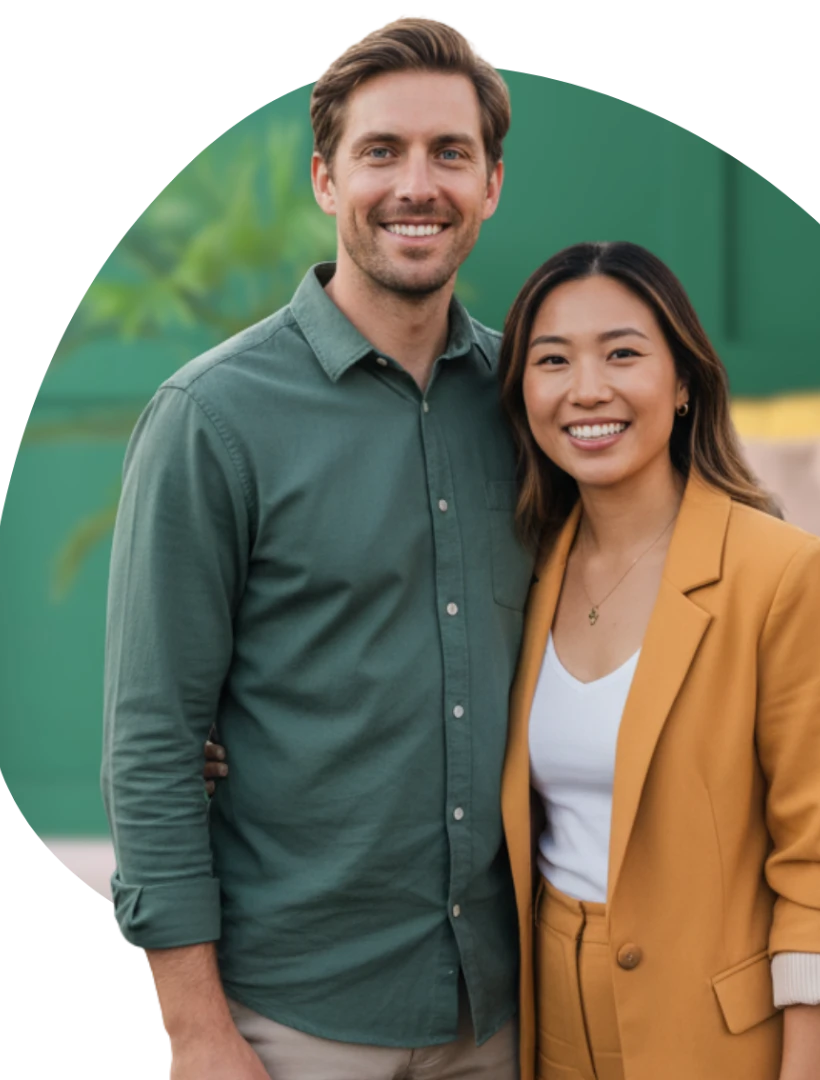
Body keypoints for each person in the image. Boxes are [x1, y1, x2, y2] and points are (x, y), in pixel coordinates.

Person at [205, 244, 820, 1079]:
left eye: (623, 354)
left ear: (683, 383)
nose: (586, 389)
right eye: (551, 360)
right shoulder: (528, 566)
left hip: (723, 1038)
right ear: (521, 394)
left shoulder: (783, 574)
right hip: (547, 1026)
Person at [103, 15, 529, 1080]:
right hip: (296, 1017)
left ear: (491, 184)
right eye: (381, 151)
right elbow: (155, 742)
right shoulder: (212, 417)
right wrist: (196, 1030)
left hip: (509, 1004)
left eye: (450, 153)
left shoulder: (534, 403)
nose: (415, 185)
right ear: (327, 181)